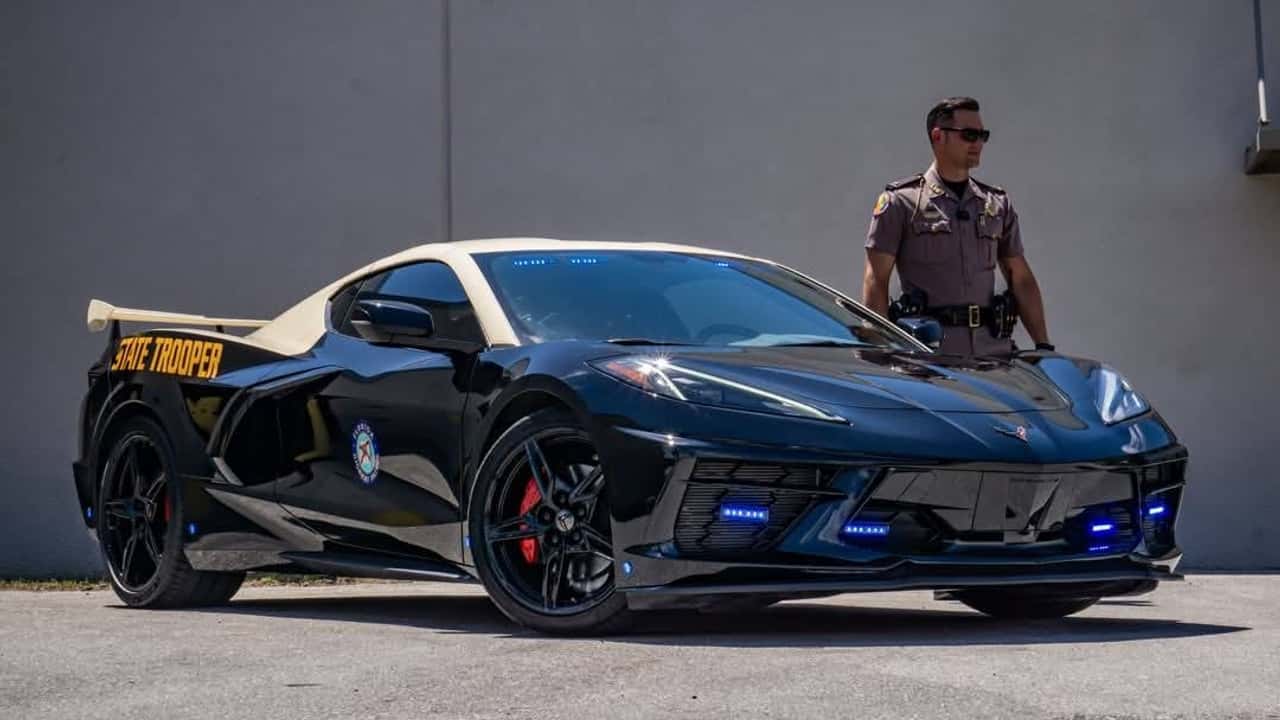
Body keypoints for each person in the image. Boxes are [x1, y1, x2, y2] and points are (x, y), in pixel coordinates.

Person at [862, 96, 1053, 356]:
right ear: (938, 136)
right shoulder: (902, 203)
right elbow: (876, 279)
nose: (978, 143)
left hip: (991, 354)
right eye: (969, 135)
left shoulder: (995, 204)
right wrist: (881, 349)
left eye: (983, 136)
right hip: (930, 357)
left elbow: (1021, 278)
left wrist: (1043, 345)